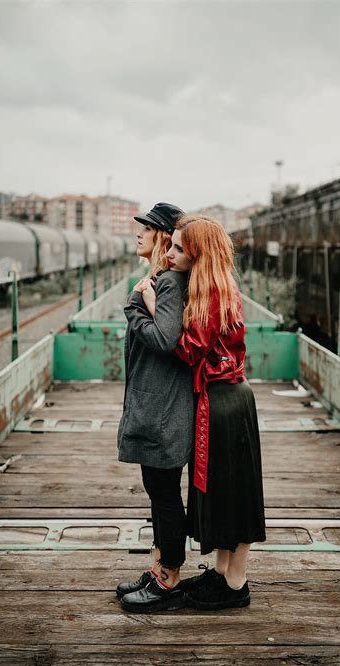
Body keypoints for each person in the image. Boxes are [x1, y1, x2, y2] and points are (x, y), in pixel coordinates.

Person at [140, 214, 266, 610]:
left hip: (225, 400)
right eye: (172, 245)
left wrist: (149, 304)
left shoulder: (212, 293)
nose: (171, 253)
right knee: (225, 491)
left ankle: (235, 583)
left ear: (198, 254)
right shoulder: (214, 285)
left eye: (179, 248)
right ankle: (223, 573)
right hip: (223, 395)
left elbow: (190, 349)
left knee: (234, 493)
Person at [116, 202, 194, 613]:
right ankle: (160, 567)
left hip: (164, 410)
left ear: (162, 236)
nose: (138, 234)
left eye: (145, 228)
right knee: (158, 491)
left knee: (164, 494)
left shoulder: (167, 284)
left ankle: (170, 580)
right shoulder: (160, 281)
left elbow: (164, 340)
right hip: (159, 405)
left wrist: (134, 307)